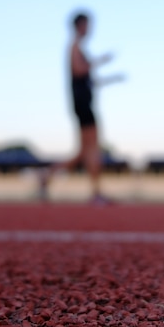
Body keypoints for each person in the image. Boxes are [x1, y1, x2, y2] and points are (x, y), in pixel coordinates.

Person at [39, 11, 115, 205]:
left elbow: (90, 80)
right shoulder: (74, 47)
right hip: (81, 104)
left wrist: (112, 78)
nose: (90, 28)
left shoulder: (79, 48)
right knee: (92, 149)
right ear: (79, 26)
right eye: (87, 24)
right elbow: (79, 70)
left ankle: (47, 175)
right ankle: (96, 193)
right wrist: (100, 61)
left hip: (83, 103)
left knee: (83, 152)